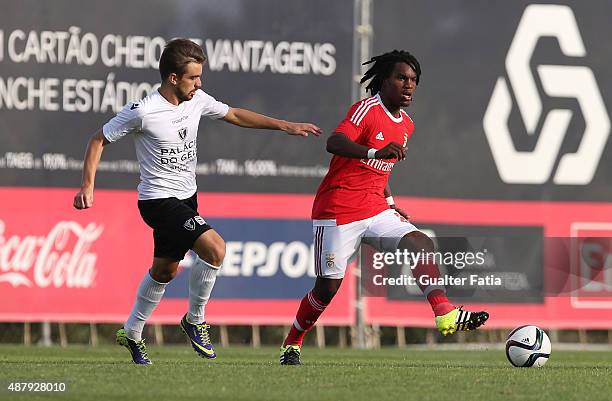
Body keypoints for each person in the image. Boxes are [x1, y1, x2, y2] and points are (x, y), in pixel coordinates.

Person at [73, 38, 321, 365]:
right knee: (215, 248)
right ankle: (195, 319)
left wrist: (283, 126)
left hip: (187, 198)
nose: (199, 83)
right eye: (193, 78)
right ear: (173, 78)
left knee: (165, 271)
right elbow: (97, 139)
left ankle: (131, 332)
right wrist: (87, 187)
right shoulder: (143, 111)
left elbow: (233, 114)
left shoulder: (197, 99)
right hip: (158, 201)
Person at [279, 50, 488, 365]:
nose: (408, 85)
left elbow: (379, 171)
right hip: (338, 209)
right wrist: (376, 151)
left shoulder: (407, 125)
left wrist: (390, 203)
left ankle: (445, 313)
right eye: (401, 78)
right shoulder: (366, 109)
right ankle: (292, 343)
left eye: (414, 80)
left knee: (420, 242)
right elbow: (334, 142)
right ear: (385, 80)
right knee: (327, 289)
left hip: (376, 208)